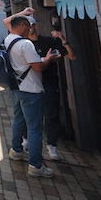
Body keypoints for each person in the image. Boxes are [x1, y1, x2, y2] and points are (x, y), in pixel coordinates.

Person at [3, 14, 61, 178]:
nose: (31, 29)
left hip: (15, 88)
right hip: (30, 90)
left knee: (18, 119)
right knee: (35, 129)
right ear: (21, 25)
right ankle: (36, 165)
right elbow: (38, 68)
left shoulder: (8, 40)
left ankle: (16, 151)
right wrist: (48, 59)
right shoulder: (25, 44)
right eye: (29, 26)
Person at [26, 15, 76, 161]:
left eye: (30, 25)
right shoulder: (23, 45)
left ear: (35, 26)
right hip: (31, 85)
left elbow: (71, 56)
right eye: (25, 25)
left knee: (52, 116)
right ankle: (26, 142)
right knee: (30, 117)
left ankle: (52, 145)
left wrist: (63, 39)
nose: (28, 28)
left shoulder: (48, 41)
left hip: (49, 84)